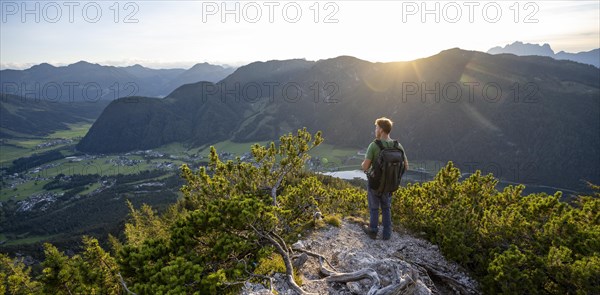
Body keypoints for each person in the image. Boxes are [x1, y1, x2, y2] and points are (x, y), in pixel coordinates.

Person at [361, 117, 408, 240]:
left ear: (381, 130)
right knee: (386, 208)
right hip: (390, 184)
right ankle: (387, 234)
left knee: (374, 208)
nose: (375, 130)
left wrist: (365, 166)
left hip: (376, 184)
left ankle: (373, 231)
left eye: (376, 127)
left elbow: (365, 167)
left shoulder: (374, 145)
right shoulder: (398, 146)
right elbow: (406, 166)